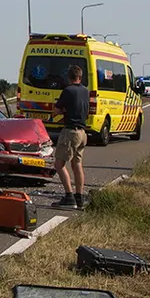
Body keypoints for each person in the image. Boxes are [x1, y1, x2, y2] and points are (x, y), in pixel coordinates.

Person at [51, 65, 90, 210]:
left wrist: (61, 111)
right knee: (77, 164)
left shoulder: (67, 91)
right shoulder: (85, 91)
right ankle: (79, 196)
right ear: (80, 77)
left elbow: (56, 111)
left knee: (59, 164)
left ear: (68, 77)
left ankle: (69, 196)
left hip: (70, 132)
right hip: (82, 132)